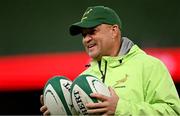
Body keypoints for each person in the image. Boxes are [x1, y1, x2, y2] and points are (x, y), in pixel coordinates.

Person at [40, 5, 180, 115]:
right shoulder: (82, 80)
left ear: (114, 30)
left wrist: (120, 108)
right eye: (84, 35)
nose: (87, 39)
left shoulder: (150, 65)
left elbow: (173, 112)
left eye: (92, 31)